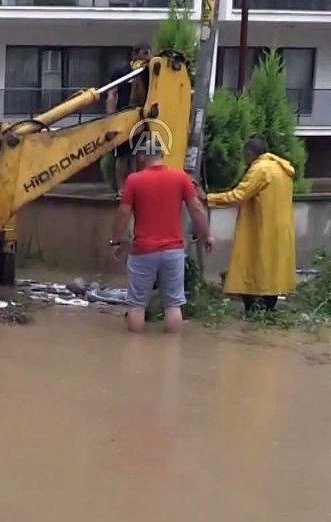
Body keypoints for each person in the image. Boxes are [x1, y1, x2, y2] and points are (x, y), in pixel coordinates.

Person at [109, 142, 214, 333]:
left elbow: (123, 213)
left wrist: (115, 241)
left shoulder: (134, 180)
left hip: (143, 251)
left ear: (141, 157)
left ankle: (134, 354)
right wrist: (207, 235)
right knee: (173, 305)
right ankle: (172, 353)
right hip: (173, 251)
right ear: (161, 155)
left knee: (137, 305)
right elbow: (197, 208)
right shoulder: (180, 178)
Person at [204, 137, 297, 314]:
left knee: (250, 266)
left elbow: (239, 195)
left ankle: (253, 310)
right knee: (272, 269)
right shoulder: (281, 169)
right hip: (280, 228)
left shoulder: (260, 169)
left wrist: (207, 199)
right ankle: (269, 309)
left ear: (250, 154)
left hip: (261, 228)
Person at [105, 43, 153, 197]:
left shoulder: (151, 73)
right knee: (122, 155)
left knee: (141, 153)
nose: (145, 58)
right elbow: (112, 94)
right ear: (134, 55)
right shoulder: (122, 73)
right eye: (143, 54)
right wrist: (111, 119)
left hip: (143, 118)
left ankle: (139, 187)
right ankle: (121, 189)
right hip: (123, 117)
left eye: (148, 55)